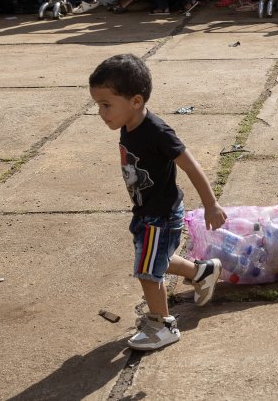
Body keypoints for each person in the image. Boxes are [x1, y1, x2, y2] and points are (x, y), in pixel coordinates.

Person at [88, 54, 227, 351]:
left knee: (148, 271)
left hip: (161, 215)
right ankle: (202, 272)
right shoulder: (128, 123)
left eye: (106, 105)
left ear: (136, 101)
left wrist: (211, 204)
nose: (100, 112)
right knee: (155, 258)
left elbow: (191, 166)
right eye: (98, 105)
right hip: (146, 211)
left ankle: (163, 325)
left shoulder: (157, 132)